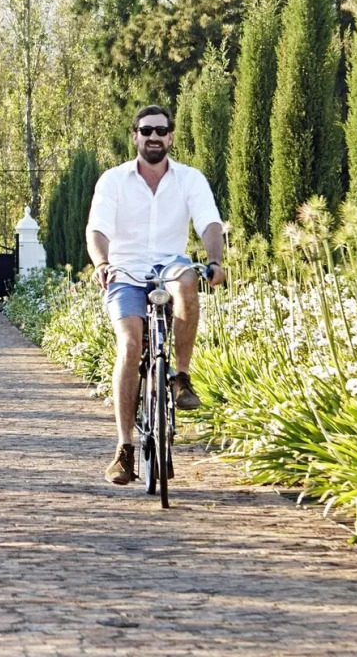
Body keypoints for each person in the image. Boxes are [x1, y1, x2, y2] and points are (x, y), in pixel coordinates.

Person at [85, 104, 227, 485]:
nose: (153, 137)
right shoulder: (113, 180)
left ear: (171, 137)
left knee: (187, 281)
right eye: (145, 130)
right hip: (126, 271)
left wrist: (214, 260)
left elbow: (210, 222)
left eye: (160, 130)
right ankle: (124, 448)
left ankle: (181, 377)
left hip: (170, 266)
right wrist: (101, 263)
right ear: (135, 136)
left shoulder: (190, 179)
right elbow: (96, 229)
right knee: (130, 346)